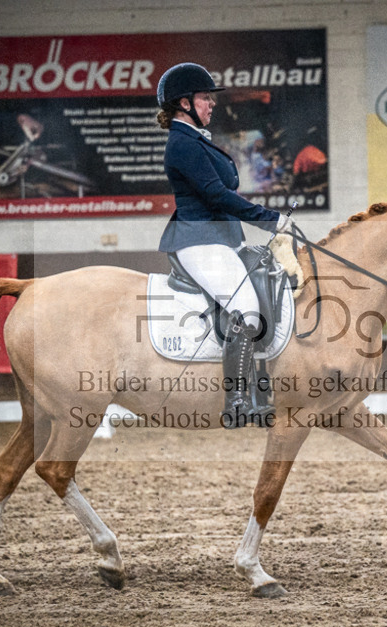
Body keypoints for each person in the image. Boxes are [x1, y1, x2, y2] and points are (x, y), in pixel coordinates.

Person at [155, 62, 293, 429]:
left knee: (264, 295)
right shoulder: (182, 143)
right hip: (199, 239)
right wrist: (271, 219)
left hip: (220, 239)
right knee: (247, 311)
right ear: (183, 103)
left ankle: (258, 390)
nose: (211, 104)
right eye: (204, 98)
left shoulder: (197, 139)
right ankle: (236, 402)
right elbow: (217, 194)